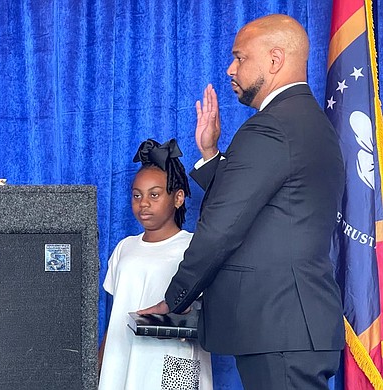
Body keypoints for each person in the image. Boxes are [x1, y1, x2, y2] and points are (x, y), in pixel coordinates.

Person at [138, 14, 345, 389]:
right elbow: (258, 207)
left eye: (240, 57)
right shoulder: (309, 123)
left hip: (278, 328)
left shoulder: (271, 127)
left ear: (275, 59)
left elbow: (222, 226)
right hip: (294, 327)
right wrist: (211, 153)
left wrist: (174, 299)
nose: (231, 68)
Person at [99, 139, 212, 390]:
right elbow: (117, 313)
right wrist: (100, 362)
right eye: (137, 195)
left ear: (178, 198)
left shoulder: (195, 248)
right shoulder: (124, 248)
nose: (144, 203)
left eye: (154, 194)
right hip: (123, 358)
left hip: (175, 362)